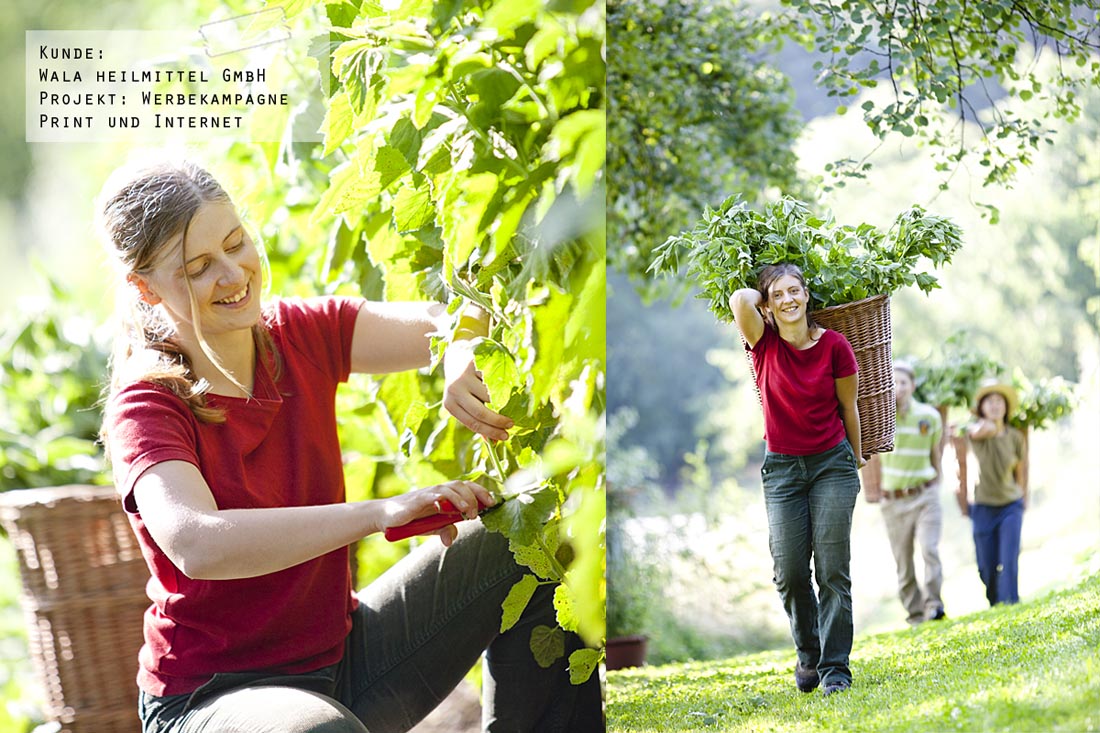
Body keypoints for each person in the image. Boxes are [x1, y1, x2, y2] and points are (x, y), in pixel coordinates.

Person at [96, 157, 603, 733]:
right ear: (145, 287)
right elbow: (196, 542)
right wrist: (378, 513)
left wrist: (460, 351)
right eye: (198, 268)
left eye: (237, 244)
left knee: (530, 540)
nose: (234, 275)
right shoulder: (149, 403)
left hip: (345, 663)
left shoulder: (297, 336)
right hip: (213, 699)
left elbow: (453, 322)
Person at [729, 263, 863, 698]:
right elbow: (738, 300)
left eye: (794, 291)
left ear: (808, 296)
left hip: (831, 466)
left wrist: (856, 458)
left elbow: (850, 408)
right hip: (783, 471)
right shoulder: (762, 343)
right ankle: (808, 653)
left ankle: (835, 670)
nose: (787, 300)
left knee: (832, 571)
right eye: (778, 295)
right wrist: (762, 296)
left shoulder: (836, 347)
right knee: (788, 572)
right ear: (767, 305)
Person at [860, 361, 946, 626]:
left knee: (929, 549)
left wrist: (935, 483)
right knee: (903, 562)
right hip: (893, 501)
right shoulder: (882, 419)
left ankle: (934, 604)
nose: (898, 388)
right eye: (893, 382)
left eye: (903, 383)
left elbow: (936, 456)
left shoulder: (929, 416)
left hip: (924, 496)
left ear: (913, 386)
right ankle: (915, 614)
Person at [954, 378, 1027, 606]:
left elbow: (1021, 470)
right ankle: (996, 602)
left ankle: (1011, 603)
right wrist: (987, 427)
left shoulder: (1015, 436)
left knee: (1009, 559)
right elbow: (975, 432)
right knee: (986, 566)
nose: (995, 406)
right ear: (982, 407)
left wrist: (1022, 496)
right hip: (982, 507)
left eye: (999, 401)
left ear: (1006, 407)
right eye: (990, 401)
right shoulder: (973, 432)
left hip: (1010, 505)